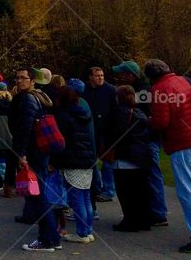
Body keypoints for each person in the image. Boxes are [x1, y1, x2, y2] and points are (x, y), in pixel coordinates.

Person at [145, 59, 191, 253]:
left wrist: (148, 121)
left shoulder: (159, 89)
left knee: (188, 193)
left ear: (151, 76)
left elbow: (161, 122)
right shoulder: (185, 81)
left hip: (183, 144)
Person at [10, 68, 61, 251]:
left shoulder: (27, 99)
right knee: (38, 195)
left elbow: (25, 128)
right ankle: (52, 237)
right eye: (17, 78)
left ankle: (47, 239)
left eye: (23, 78)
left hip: (32, 151)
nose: (19, 81)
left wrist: (21, 154)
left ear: (32, 81)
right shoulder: (40, 97)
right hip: (40, 150)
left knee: (36, 197)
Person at [112, 60, 168, 226]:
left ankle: (158, 213)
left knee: (152, 175)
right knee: (145, 177)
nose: (119, 77)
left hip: (146, 138)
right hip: (143, 137)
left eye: (122, 74)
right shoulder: (143, 89)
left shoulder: (144, 90)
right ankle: (148, 212)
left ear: (130, 75)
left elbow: (139, 109)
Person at [53, 81, 96, 243]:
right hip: (86, 158)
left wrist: (55, 161)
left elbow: (60, 141)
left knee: (77, 199)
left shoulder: (63, 116)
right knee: (85, 197)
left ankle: (82, 233)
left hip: (73, 159)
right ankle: (88, 230)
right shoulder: (83, 113)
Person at [107, 85, 152, 232]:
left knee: (125, 192)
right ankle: (143, 220)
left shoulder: (117, 114)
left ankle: (130, 220)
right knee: (140, 191)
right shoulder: (140, 114)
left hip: (124, 155)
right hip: (141, 156)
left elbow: (113, 134)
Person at [84, 67, 118, 205]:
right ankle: (97, 187)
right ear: (90, 77)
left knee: (108, 161)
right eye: (97, 75)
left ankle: (108, 190)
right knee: (93, 160)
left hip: (107, 129)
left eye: (102, 75)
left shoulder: (110, 90)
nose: (100, 78)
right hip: (92, 129)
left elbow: (115, 108)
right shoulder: (85, 90)